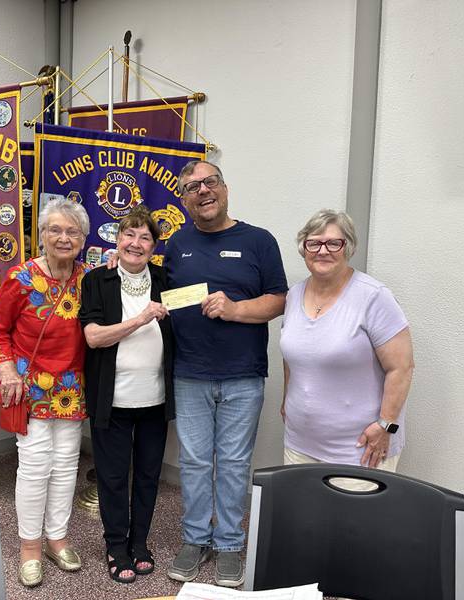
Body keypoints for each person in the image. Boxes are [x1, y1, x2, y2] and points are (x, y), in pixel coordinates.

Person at [164, 160, 288, 587]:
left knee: (234, 464)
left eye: (209, 182)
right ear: (184, 200)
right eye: (192, 187)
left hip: (242, 375)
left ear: (225, 188)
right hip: (190, 373)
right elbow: (159, 292)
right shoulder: (177, 243)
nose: (202, 191)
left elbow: (278, 300)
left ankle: (230, 543)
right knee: (195, 462)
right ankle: (196, 538)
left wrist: (235, 309)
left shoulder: (259, 241)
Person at [0, 198, 90, 587]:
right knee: (33, 468)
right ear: (42, 235)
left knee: (65, 468)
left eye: (72, 231)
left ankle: (56, 539)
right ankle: (29, 546)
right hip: (29, 389)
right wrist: (6, 367)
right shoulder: (22, 278)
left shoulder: (89, 278)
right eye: (55, 230)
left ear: (82, 238)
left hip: (72, 389)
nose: (64, 238)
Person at [279, 209, 414, 482]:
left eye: (333, 243)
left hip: (361, 448)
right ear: (304, 248)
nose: (322, 251)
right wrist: (286, 401)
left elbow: (402, 367)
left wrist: (386, 426)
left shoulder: (374, 297)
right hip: (300, 443)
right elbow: (293, 356)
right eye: (314, 243)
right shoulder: (294, 295)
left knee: (356, 524)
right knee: (305, 521)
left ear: (348, 247)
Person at [78, 206, 174, 584]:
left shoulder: (166, 279)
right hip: (111, 400)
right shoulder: (98, 280)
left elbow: (196, 305)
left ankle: (140, 543)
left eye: (145, 237)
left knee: (149, 476)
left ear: (154, 246)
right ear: (117, 240)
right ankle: (116, 546)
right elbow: (93, 337)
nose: (136, 243)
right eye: (129, 235)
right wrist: (140, 318)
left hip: (155, 400)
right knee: (113, 477)